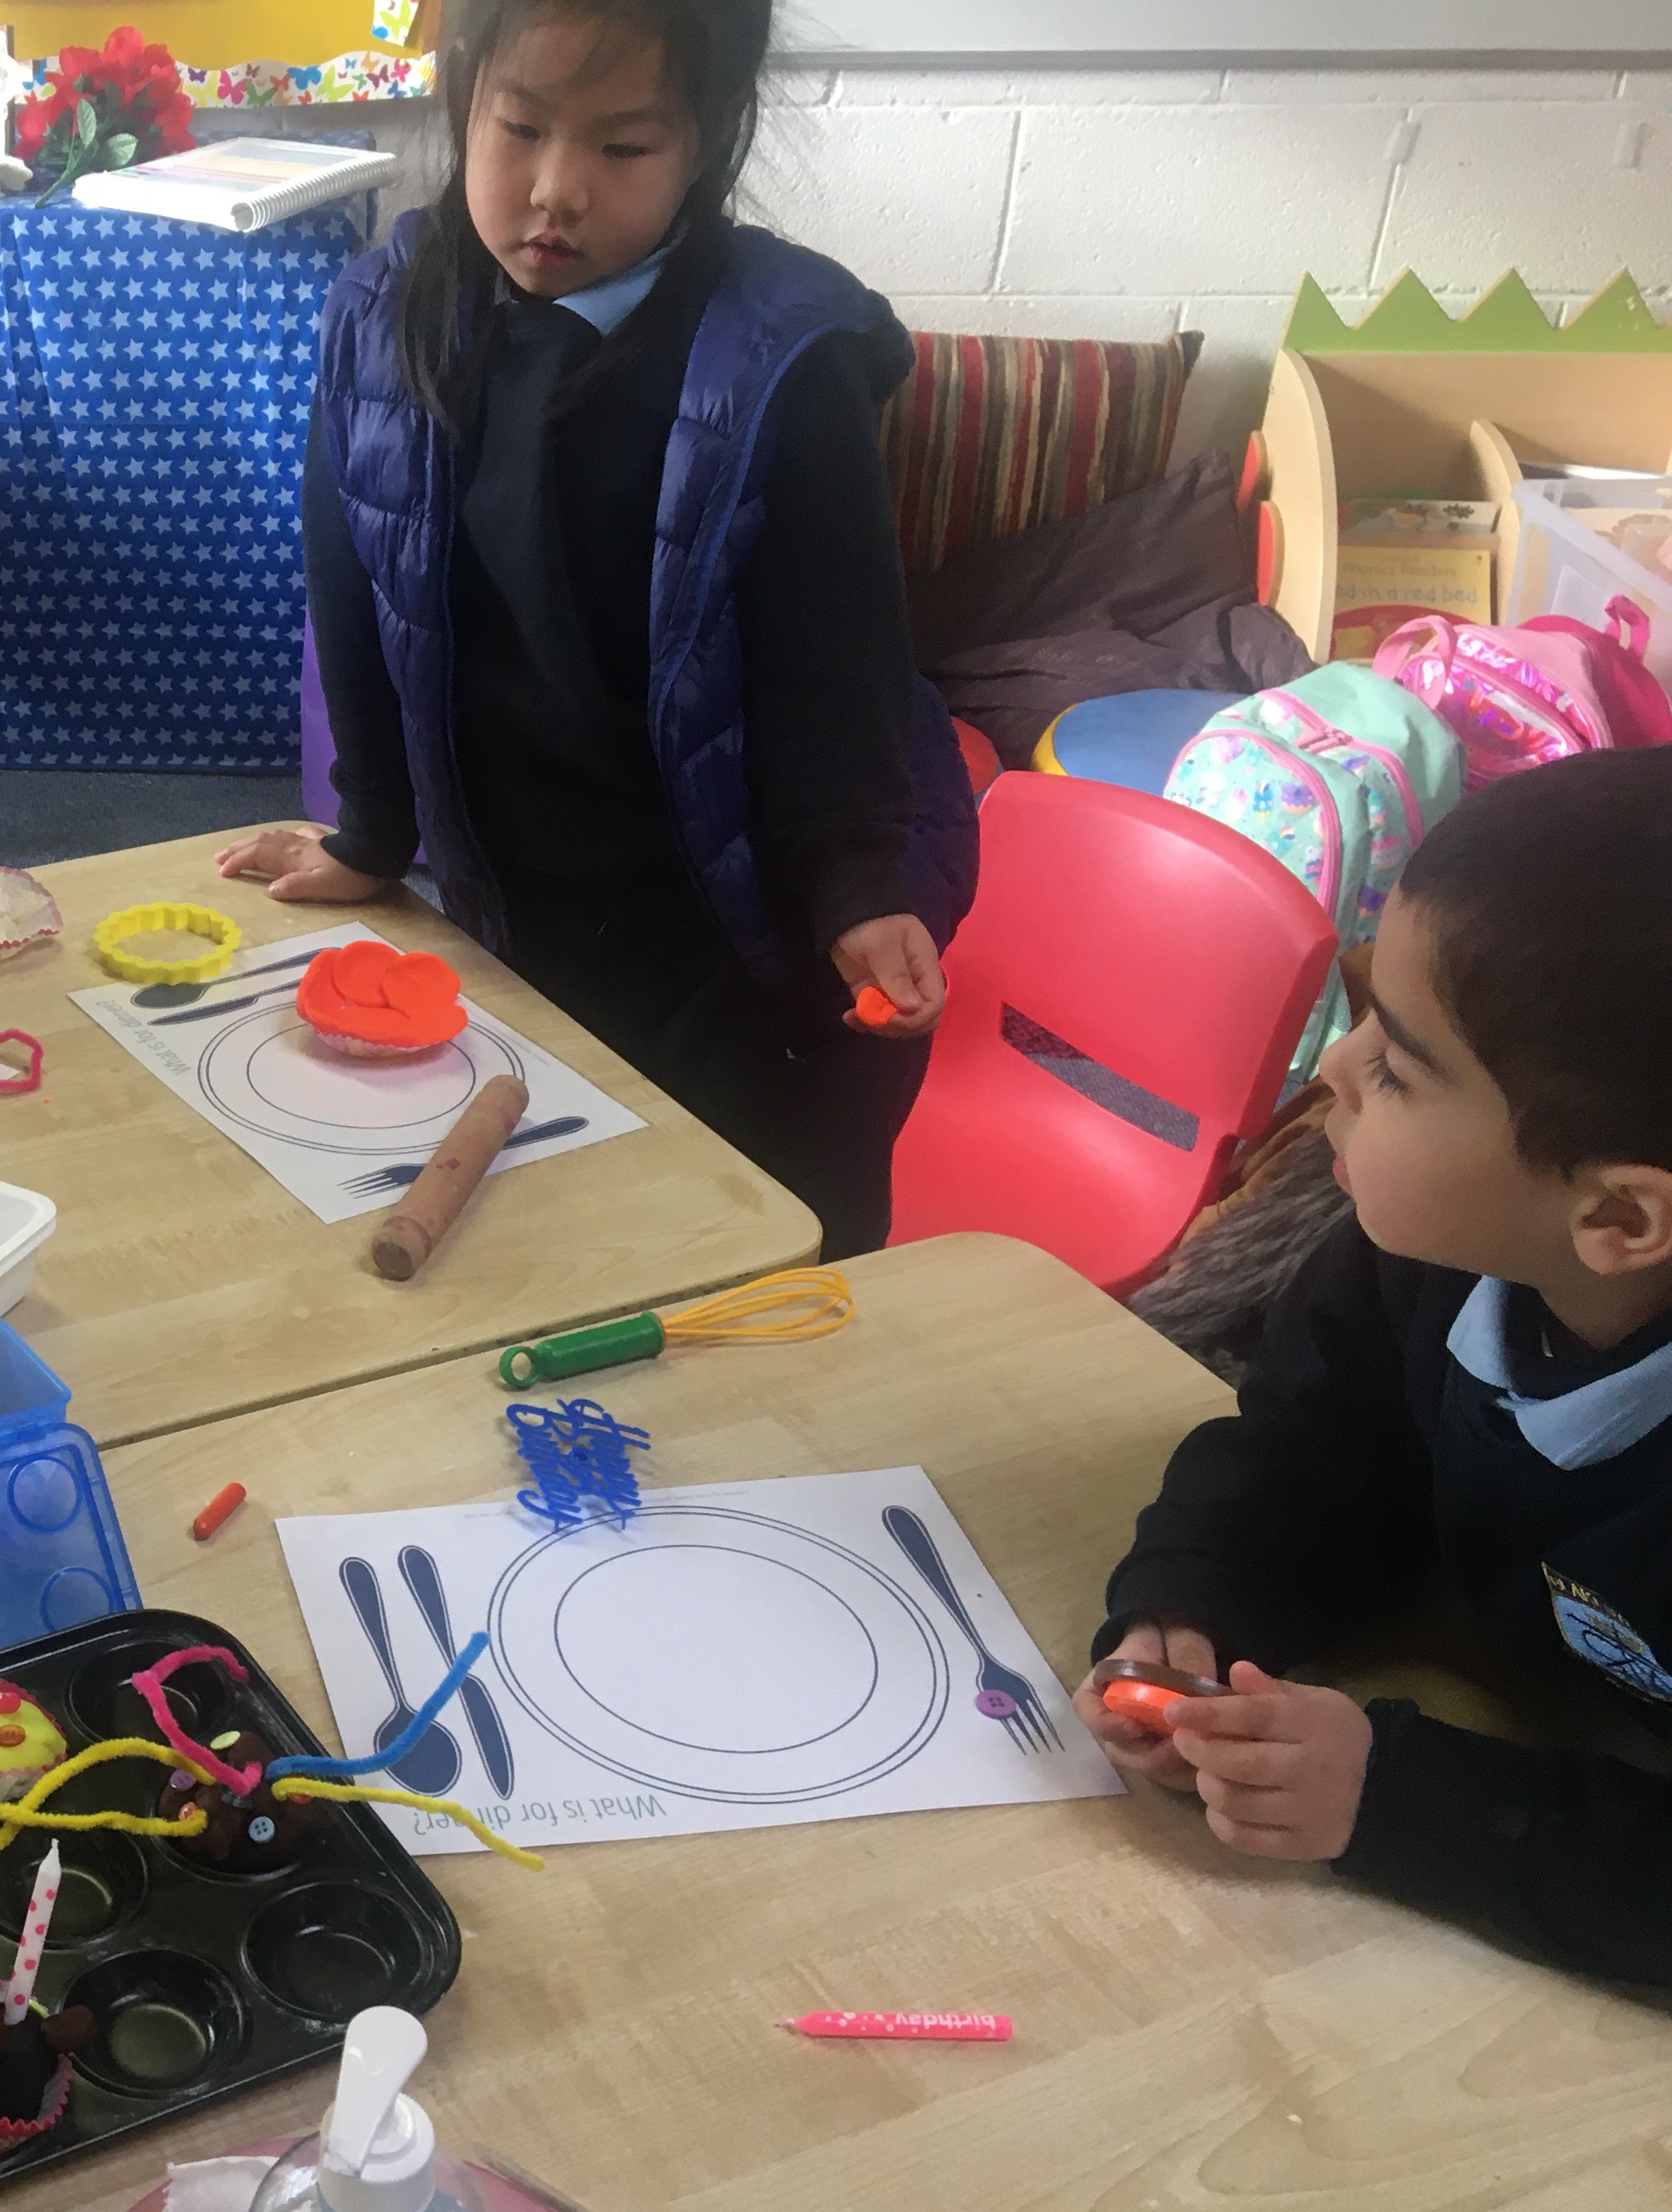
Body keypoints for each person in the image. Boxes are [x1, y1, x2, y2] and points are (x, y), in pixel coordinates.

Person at [222, 0, 974, 1258]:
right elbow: (352, 583)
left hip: (732, 917)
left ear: (706, 142)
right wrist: (373, 827)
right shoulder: (389, 306)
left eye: (625, 148)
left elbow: (838, 661)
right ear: (463, 101)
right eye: (519, 129)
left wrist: (857, 886)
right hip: (518, 889)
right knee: (543, 1223)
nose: (555, 191)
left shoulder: (783, 363)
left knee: (750, 1240)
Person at [1082, 750, 1672, 1982]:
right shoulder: (1438, 1256)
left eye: (1398, 1068)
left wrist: (1395, 1796)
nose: (1330, 1075)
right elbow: (1311, 1453)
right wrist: (1198, 1605)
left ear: (1618, 1218)